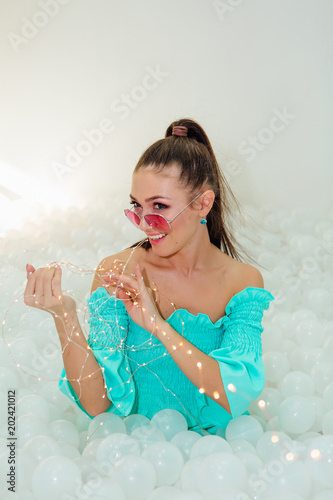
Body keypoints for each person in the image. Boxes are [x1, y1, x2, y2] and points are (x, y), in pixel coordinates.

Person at [24, 118, 274, 434]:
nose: (144, 223)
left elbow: (232, 394)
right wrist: (65, 316)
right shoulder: (117, 272)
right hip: (133, 454)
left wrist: (157, 325)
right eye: (137, 207)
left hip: (213, 457)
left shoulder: (241, 283)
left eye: (159, 206)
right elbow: (96, 405)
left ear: (202, 204)